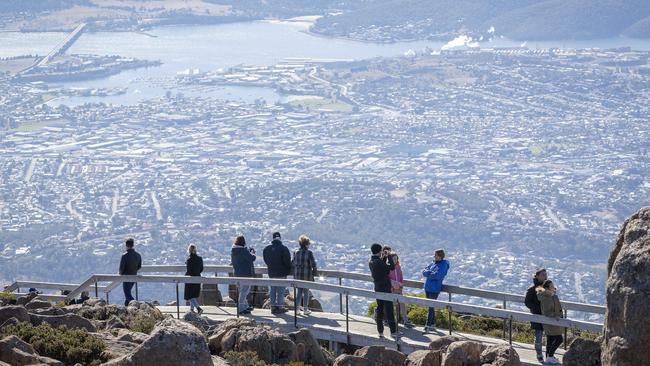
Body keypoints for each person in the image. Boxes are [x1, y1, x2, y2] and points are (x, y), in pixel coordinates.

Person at [369, 243, 400, 339]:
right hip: (385, 288)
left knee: (380, 309)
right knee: (389, 309)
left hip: (377, 288)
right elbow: (391, 267)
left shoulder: (371, 261)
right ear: (379, 251)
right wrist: (389, 255)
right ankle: (393, 332)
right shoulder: (378, 261)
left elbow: (383, 269)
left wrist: (383, 258)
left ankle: (380, 332)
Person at [384, 246, 413, 328]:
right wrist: (392, 286)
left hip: (399, 289)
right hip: (391, 289)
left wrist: (401, 285)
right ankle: (390, 320)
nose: (395, 260)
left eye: (396, 259)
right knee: (391, 306)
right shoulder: (388, 267)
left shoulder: (398, 267)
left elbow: (401, 277)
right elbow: (387, 279)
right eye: (393, 259)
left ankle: (405, 320)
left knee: (402, 304)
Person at [263, 232, 291, 314]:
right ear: (280, 238)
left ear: (273, 238)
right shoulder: (284, 249)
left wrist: (271, 266)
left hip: (271, 273)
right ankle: (280, 307)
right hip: (282, 273)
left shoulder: (267, 249)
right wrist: (288, 269)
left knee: (272, 290)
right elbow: (287, 262)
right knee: (280, 291)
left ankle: (272, 307)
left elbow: (266, 260)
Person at [422, 249, 449, 333]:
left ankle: (428, 325)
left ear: (440, 256)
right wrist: (430, 273)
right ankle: (433, 324)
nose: (434, 256)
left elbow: (437, 276)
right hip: (428, 287)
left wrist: (429, 273)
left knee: (430, 306)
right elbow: (423, 272)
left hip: (434, 289)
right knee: (431, 307)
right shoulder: (433, 263)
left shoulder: (444, 265)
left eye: (435, 255)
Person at [537, 280, 564, 365]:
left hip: (552, 322)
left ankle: (549, 357)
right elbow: (546, 312)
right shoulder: (547, 298)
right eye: (552, 286)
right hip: (551, 322)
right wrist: (555, 315)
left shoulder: (550, 295)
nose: (554, 287)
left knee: (550, 339)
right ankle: (550, 356)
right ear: (547, 288)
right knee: (559, 339)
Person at [525, 268, 548, 363]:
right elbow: (527, 302)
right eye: (543, 275)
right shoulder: (532, 289)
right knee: (538, 336)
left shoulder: (547, 287)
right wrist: (538, 309)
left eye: (545, 275)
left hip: (547, 316)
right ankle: (539, 354)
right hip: (537, 316)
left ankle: (550, 355)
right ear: (537, 276)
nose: (545, 276)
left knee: (550, 336)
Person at [291, 235, 318, 315]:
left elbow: (292, 263)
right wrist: (315, 272)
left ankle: (297, 309)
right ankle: (305, 309)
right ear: (306, 244)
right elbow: (313, 264)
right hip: (306, 276)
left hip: (298, 276)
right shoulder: (309, 253)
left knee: (299, 292)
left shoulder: (296, 252)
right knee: (306, 291)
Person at [231, 235, 256, 315]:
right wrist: (252, 253)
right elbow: (252, 258)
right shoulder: (243, 250)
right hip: (245, 273)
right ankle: (241, 308)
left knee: (242, 291)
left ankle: (245, 306)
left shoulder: (233, 250)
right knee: (244, 291)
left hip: (237, 273)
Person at [119, 238, 142, 306]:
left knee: (127, 294)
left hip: (126, 277)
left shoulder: (124, 256)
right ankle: (127, 307)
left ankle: (136, 305)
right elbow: (139, 266)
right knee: (128, 294)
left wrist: (120, 273)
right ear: (133, 245)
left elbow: (121, 269)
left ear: (126, 245)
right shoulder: (138, 255)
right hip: (134, 276)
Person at [184, 244, 204, 314]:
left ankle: (198, 308)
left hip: (190, 279)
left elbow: (189, 270)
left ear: (189, 251)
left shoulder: (189, 260)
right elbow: (201, 269)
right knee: (193, 295)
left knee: (189, 295)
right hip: (198, 277)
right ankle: (192, 310)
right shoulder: (200, 258)